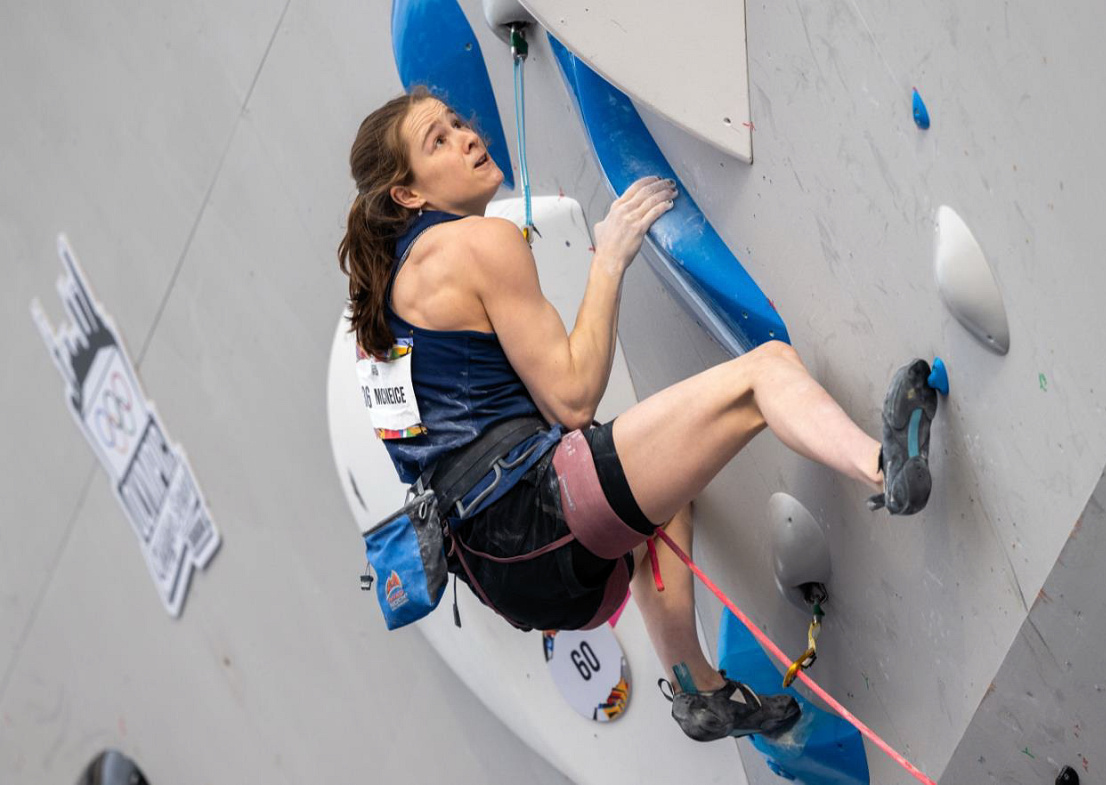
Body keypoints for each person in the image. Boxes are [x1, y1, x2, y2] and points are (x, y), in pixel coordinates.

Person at [337, 89, 937, 742]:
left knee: (662, 497)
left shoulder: (383, 312)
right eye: (439, 141)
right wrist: (610, 257)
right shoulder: (479, 243)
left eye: (457, 122)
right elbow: (570, 400)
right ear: (408, 195)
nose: (467, 136)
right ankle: (884, 466)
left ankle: (696, 688)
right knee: (765, 372)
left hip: (504, 577)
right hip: (537, 516)